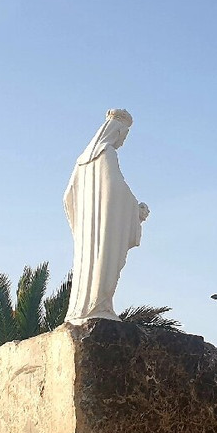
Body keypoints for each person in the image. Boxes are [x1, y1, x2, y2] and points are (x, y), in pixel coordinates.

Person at [64, 109, 149, 323]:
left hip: (88, 230)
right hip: (104, 228)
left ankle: (87, 308)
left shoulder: (82, 161)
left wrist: (81, 222)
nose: (123, 140)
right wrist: (135, 209)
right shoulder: (107, 153)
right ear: (117, 132)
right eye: (124, 135)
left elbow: (67, 197)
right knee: (105, 264)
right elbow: (115, 187)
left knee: (88, 267)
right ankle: (98, 306)